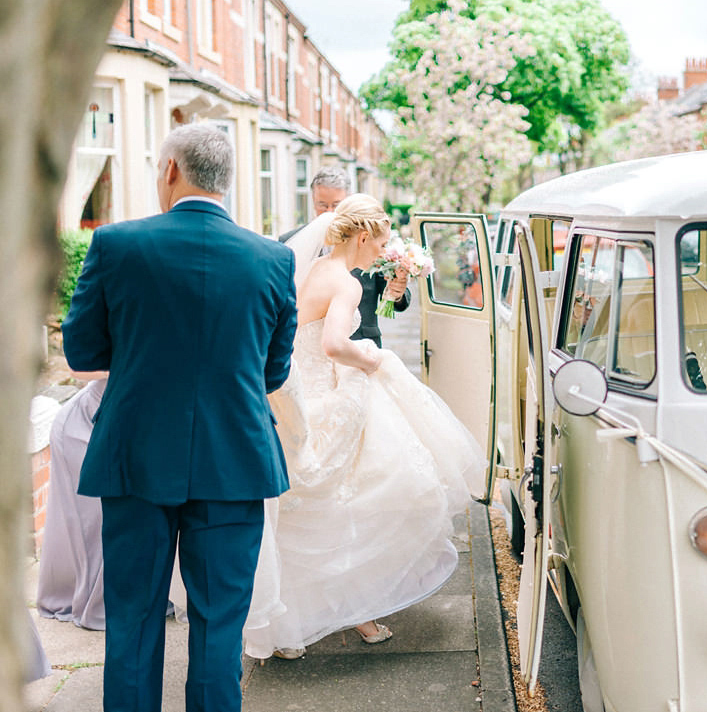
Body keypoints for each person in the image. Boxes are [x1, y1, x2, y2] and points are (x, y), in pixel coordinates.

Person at [62, 122, 297, 712]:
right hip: (234, 461)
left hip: (135, 458)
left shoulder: (115, 245)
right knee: (220, 626)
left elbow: (82, 353)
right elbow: (273, 372)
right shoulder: (273, 259)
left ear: (170, 170)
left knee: (134, 619)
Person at [243, 194, 484, 661]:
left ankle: (288, 627)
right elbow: (334, 344)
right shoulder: (346, 284)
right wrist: (369, 360)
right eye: (380, 243)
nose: (380, 252)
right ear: (361, 236)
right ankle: (359, 611)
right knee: (358, 498)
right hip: (328, 393)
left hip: (295, 392)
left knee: (300, 511)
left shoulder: (313, 270)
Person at [279, 166, 409, 347]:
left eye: (336, 205)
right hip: (311, 350)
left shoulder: (373, 239)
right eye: (322, 205)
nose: (329, 212)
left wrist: (397, 292)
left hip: (361, 342)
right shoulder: (290, 242)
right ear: (313, 200)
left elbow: (393, 293)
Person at [37, 375, 108, 630]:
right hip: (83, 426)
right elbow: (81, 366)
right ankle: (95, 599)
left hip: (138, 416)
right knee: (93, 522)